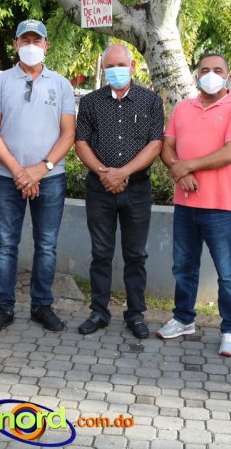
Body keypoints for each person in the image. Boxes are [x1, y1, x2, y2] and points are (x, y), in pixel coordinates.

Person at [0, 19, 76, 335]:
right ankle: (3, 307)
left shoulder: (61, 84)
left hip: (50, 177)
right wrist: (19, 172)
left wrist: (41, 168)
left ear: (46, 45)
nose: (31, 46)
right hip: (7, 177)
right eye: (25, 40)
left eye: (37, 41)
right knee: (6, 244)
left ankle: (42, 305)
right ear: (16, 44)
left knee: (46, 245)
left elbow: (68, 133)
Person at [157, 53, 231, 357]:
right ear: (196, 75)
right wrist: (179, 170)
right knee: (183, 266)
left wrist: (186, 166)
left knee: (227, 272)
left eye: (217, 70)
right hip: (186, 204)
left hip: (221, 207)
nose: (210, 74)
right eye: (204, 70)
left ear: (228, 76)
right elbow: (167, 146)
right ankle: (183, 318)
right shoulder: (183, 108)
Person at [74, 44, 164, 339]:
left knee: (136, 255)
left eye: (121, 65)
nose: (115, 71)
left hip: (137, 190)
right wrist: (105, 173)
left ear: (133, 66)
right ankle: (99, 312)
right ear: (103, 69)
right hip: (99, 190)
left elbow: (155, 144)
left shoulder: (151, 101)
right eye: (110, 66)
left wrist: (123, 173)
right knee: (100, 254)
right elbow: (81, 143)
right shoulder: (90, 102)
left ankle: (135, 314)